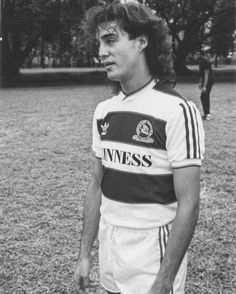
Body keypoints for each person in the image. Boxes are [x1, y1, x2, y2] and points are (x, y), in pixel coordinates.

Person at [74, 1, 205, 294]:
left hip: (151, 252)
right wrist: (84, 255)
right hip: (110, 245)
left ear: (142, 41)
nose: (101, 53)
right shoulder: (103, 111)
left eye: (110, 40)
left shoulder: (177, 110)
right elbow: (97, 184)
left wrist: (165, 279)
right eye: (99, 44)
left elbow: (189, 203)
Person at [198, 50, 214, 120]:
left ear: (201, 55)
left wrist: (204, 86)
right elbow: (202, 74)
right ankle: (206, 114)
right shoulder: (200, 62)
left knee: (205, 96)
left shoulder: (206, 62)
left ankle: (207, 114)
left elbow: (206, 74)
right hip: (206, 80)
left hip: (209, 80)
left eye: (196, 54)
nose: (195, 56)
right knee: (203, 96)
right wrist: (200, 82)